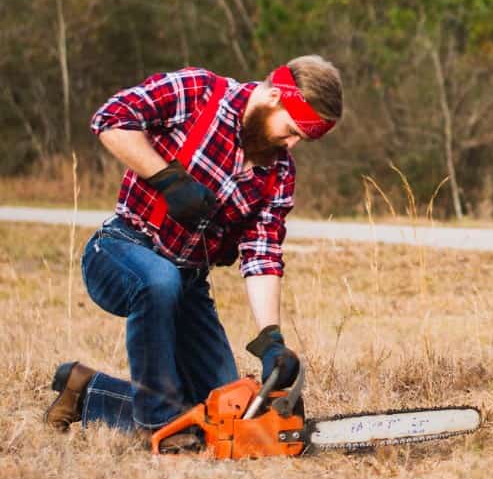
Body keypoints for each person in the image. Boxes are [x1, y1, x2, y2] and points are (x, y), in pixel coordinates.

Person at [44, 55, 343, 447]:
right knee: (159, 280)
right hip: (120, 249)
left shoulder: (279, 173)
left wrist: (271, 338)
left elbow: (262, 253)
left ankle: (85, 390)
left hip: (187, 283)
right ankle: (158, 427)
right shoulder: (199, 93)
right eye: (290, 131)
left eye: (302, 139)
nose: (291, 144)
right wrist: (166, 178)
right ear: (273, 96)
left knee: (223, 419)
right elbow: (110, 118)